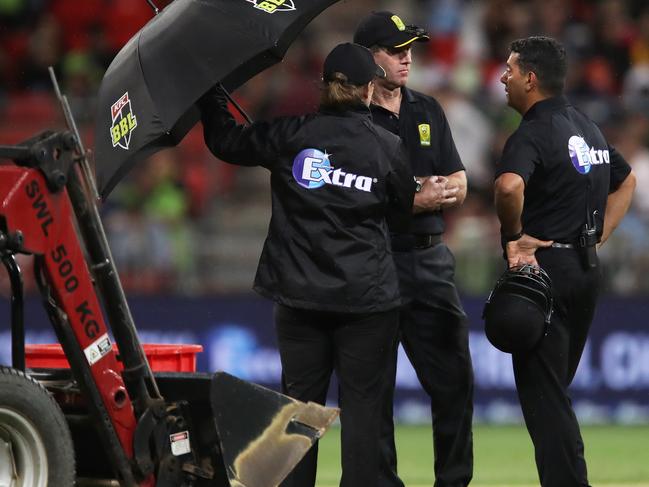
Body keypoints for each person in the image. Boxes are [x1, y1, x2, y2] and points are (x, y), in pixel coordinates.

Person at [198, 43, 416, 487]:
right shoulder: (388, 146)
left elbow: (225, 141)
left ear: (327, 87)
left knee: (298, 416)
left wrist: (213, 95)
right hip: (366, 302)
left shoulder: (291, 135)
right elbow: (402, 206)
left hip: (300, 299)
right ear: (369, 90)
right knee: (363, 416)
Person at [495, 36, 636, 487]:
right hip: (585, 271)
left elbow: (508, 187)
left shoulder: (533, 132)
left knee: (546, 399)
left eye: (511, 70)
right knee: (554, 392)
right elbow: (626, 181)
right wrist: (597, 236)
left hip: (546, 274)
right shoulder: (587, 127)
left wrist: (514, 239)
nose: (503, 77)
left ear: (531, 79)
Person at [353, 11, 474, 487]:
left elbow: (460, 180)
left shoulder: (428, 109)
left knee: (455, 382)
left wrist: (440, 191)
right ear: (368, 57)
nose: (407, 57)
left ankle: (454, 481)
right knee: (373, 393)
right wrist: (412, 195)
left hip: (429, 260)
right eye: (395, 50)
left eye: (410, 48)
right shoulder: (351, 118)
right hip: (374, 261)